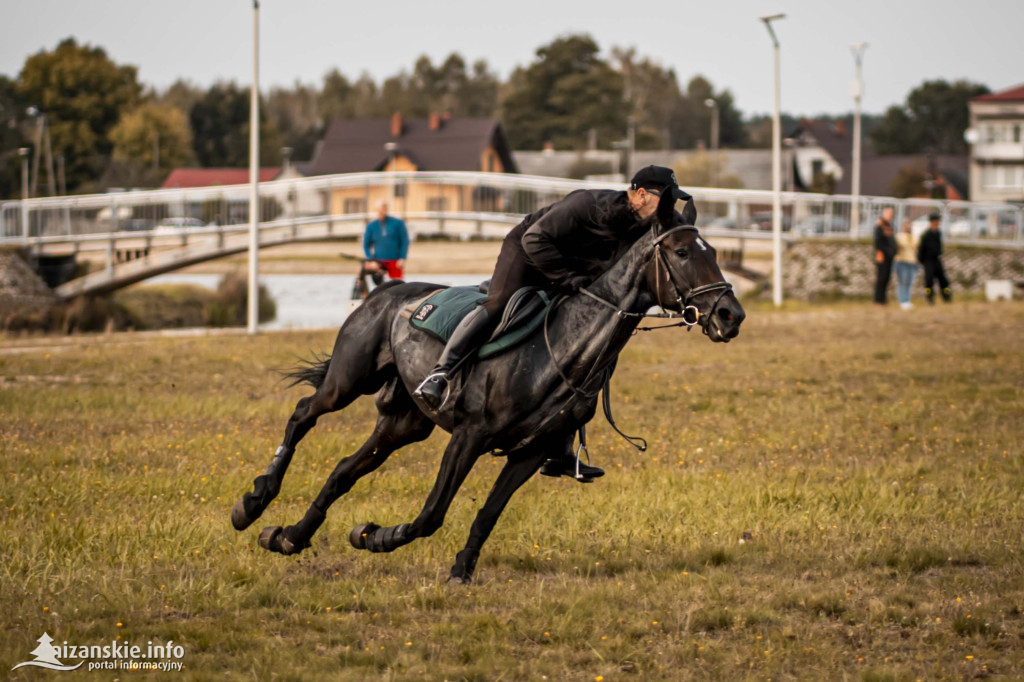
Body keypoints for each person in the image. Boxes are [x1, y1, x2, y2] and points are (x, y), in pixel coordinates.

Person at [413, 165, 693, 481]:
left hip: (570, 268)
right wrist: (568, 279)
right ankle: (440, 375)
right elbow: (536, 239)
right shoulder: (588, 204)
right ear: (641, 195)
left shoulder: (641, 225)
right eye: (665, 200)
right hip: (527, 250)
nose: (669, 208)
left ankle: (561, 453)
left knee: (589, 345)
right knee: (497, 305)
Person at [363, 201, 409, 280]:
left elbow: (405, 241)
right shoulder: (371, 226)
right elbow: (366, 245)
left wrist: (402, 258)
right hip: (378, 261)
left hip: (394, 260)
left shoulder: (398, 223)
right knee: (361, 272)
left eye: (386, 206)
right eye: (382, 206)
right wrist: (371, 259)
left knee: (398, 284)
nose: (384, 209)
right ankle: (364, 292)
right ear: (377, 209)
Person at [918, 212, 952, 304]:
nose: (937, 223)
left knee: (944, 281)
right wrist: (921, 261)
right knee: (929, 281)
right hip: (928, 261)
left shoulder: (938, 233)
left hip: (937, 260)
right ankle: (929, 297)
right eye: (936, 221)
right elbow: (921, 249)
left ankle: (947, 297)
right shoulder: (925, 235)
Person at [893, 218, 919, 310]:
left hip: (912, 262)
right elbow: (897, 248)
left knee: (909, 282)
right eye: (906, 225)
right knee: (903, 282)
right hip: (902, 261)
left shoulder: (915, 237)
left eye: (909, 225)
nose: (908, 226)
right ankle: (902, 301)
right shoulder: (899, 236)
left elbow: (917, 248)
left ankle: (907, 300)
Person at [872, 207, 896, 305]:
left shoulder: (889, 226)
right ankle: (878, 300)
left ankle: (883, 299)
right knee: (881, 278)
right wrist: (886, 251)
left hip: (890, 256)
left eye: (892, 215)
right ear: (884, 215)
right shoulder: (879, 226)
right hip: (882, 256)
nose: (891, 217)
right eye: (889, 215)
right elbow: (878, 242)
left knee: (887, 278)